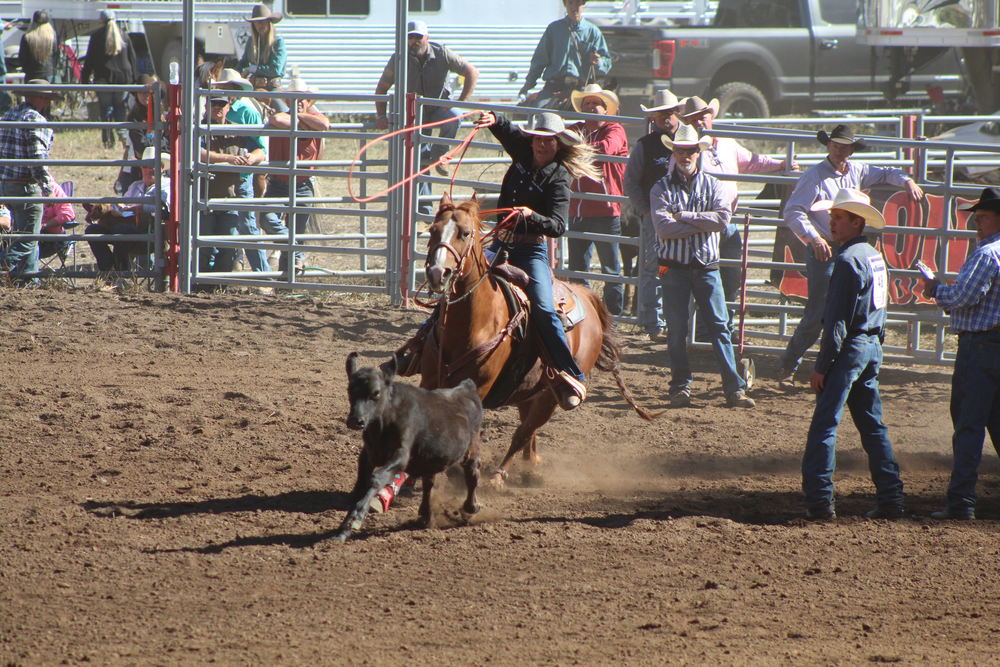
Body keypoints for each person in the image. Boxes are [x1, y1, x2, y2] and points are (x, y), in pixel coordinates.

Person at [777, 124, 924, 389]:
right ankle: (790, 366)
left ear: (851, 149)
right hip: (825, 247)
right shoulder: (815, 176)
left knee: (849, 308)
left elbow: (887, 173)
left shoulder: (857, 170)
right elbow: (793, 211)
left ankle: (835, 366)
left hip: (847, 248)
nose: (839, 150)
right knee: (819, 312)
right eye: (835, 145)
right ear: (828, 146)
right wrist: (815, 238)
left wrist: (906, 180)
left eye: (844, 146)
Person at [799, 188, 905, 521]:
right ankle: (891, 498)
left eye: (838, 218)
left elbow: (836, 323)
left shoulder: (846, 261)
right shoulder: (874, 257)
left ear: (856, 222)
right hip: (871, 345)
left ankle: (820, 503)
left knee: (824, 427)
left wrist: (821, 366)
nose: (831, 223)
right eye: (832, 217)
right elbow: (880, 307)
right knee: (873, 426)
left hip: (850, 349)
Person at [649, 123, 755, 409]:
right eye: (681, 150)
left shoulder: (713, 185)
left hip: (706, 266)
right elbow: (663, 228)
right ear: (675, 152)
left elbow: (722, 220)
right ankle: (682, 386)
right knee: (676, 330)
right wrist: (700, 221)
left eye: (691, 150)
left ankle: (734, 388)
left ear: (699, 152)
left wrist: (682, 215)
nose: (686, 155)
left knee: (720, 326)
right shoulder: (661, 187)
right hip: (674, 267)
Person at [679, 95, 796, 330]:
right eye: (693, 119)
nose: (700, 122)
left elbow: (753, 162)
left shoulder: (727, 144)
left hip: (726, 222)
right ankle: (702, 330)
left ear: (712, 117)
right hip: (700, 226)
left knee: (730, 278)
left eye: (703, 116)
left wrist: (781, 165)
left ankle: (725, 327)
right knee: (703, 278)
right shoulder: (685, 151)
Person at [921, 186, 1000, 521]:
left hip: (979, 347)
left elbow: (962, 298)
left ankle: (961, 501)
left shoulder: (986, 255)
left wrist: (935, 289)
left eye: (982, 216)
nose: (977, 222)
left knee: (968, 425)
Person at [374, 19, 479, 188]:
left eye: (418, 37)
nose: (414, 41)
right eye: (410, 37)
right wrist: (380, 115)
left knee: (455, 117)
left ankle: (440, 155)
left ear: (427, 37)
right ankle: (423, 207)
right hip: (414, 114)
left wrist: (462, 100)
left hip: (438, 107)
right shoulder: (398, 59)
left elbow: (472, 71)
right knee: (418, 162)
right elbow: (382, 88)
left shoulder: (442, 53)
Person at [623, 88, 686, 341]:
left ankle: (676, 322)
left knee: (681, 267)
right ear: (653, 118)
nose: (665, 118)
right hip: (656, 218)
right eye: (660, 114)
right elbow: (631, 182)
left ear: (676, 113)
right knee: (654, 267)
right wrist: (646, 211)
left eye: (669, 112)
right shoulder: (646, 146)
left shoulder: (689, 141)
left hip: (685, 217)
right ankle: (654, 324)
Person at [258, 78, 329, 276]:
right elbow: (277, 120)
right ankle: (294, 249)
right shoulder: (283, 115)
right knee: (266, 218)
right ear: (288, 101)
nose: (298, 101)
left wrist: (300, 120)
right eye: (294, 98)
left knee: (296, 228)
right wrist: (303, 121)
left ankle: (287, 281)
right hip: (278, 183)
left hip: (302, 184)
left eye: (302, 98)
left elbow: (325, 124)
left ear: (309, 101)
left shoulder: (316, 117)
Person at [567, 83, 627, 315]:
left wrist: (575, 148)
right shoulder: (576, 128)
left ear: (606, 109)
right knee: (578, 268)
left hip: (605, 210)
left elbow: (606, 148)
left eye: (596, 104)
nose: (591, 108)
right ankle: (584, 313)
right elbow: (560, 143)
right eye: (587, 104)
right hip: (578, 209)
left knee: (610, 268)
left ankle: (613, 316)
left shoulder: (615, 129)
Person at [198, 95, 265, 278]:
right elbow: (198, 153)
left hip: (229, 197)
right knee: (204, 246)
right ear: (207, 106)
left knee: (228, 247)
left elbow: (260, 150)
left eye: (222, 104)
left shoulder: (236, 130)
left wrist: (252, 157)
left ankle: (219, 284)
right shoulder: (201, 129)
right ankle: (200, 284)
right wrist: (230, 159)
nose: (217, 107)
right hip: (205, 198)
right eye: (214, 104)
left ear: (229, 107)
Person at [0, 80, 59, 285]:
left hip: (7, 184)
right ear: (40, 98)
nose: (46, 102)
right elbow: (37, 158)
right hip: (25, 185)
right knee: (29, 237)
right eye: (46, 98)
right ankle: (5, 265)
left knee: (24, 231)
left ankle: (30, 280)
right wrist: (47, 187)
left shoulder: (9, 115)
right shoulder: (35, 119)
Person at [211, 68, 269, 272]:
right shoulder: (212, 107)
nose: (224, 94)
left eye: (228, 89)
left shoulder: (248, 111)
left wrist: (251, 158)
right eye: (223, 89)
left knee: (247, 225)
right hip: (217, 176)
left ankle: (263, 275)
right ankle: (230, 269)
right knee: (228, 225)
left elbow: (259, 145)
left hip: (241, 177)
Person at [87, 146, 170, 273]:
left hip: (152, 232)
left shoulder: (167, 185)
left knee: (121, 230)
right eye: (145, 166)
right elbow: (122, 203)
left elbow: (164, 207)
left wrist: (137, 207)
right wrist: (114, 208)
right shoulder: (135, 186)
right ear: (141, 168)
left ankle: (122, 272)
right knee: (92, 230)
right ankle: (109, 270)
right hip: (128, 231)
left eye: (152, 166)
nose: (148, 170)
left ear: (162, 168)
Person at [518, 0, 610, 111]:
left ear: (583, 5)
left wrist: (598, 61)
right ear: (565, 5)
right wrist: (528, 84)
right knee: (538, 113)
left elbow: (607, 64)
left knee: (589, 117)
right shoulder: (554, 29)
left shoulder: (593, 32)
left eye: (577, 3)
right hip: (553, 86)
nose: (574, 7)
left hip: (580, 88)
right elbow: (539, 60)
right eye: (570, 3)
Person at [81, 9, 137, 150]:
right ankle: (123, 136)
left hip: (103, 77)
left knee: (105, 108)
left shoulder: (96, 36)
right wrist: (135, 81)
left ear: (101, 21)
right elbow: (133, 59)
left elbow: (89, 61)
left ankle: (107, 138)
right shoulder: (124, 35)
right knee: (120, 107)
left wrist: (85, 79)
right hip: (123, 79)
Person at [237, 3, 287, 92]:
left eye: (263, 21)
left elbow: (275, 70)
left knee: (280, 105)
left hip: (272, 88)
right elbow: (243, 62)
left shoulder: (278, 42)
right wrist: (233, 73)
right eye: (257, 22)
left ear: (269, 23)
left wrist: (252, 69)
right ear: (254, 24)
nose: (260, 25)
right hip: (253, 86)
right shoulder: (251, 41)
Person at [18, 11, 60, 83]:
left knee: (30, 94)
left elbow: (22, 59)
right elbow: (56, 57)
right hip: (49, 75)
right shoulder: (52, 38)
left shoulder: (27, 37)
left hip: (31, 75)